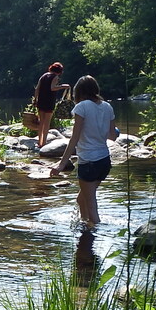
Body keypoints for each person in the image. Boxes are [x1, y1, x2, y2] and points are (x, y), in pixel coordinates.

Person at [50, 75, 119, 230]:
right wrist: (115, 131)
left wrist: (61, 165)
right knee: (82, 200)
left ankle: (95, 235)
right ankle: (84, 229)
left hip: (88, 162)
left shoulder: (82, 107)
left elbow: (74, 138)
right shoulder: (107, 107)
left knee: (93, 209)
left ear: (78, 92)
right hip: (104, 162)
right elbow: (112, 136)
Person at [33, 62, 70, 149]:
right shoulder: (55, 77)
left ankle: (39, 142)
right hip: (49, 101)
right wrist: (63, 86)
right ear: (59, 71)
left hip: (41, 101)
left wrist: (35, 99)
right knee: (47, 123)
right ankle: (44, 143)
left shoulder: (44, 76)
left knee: (41, 122)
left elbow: (37, 88)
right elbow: (52, 88)